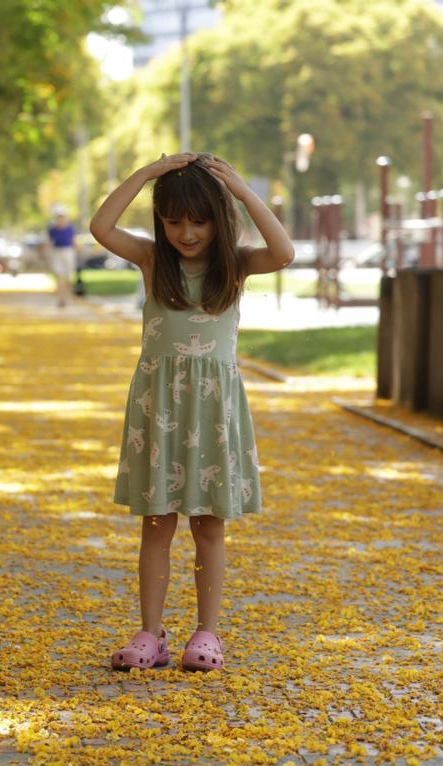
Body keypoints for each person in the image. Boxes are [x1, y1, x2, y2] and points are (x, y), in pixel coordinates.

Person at [90, 153, 294, 672]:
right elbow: (101, 227)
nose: (186, 233)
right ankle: (150, 634)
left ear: (219, 219)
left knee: (208, 525)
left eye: (199, 221)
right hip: (159, 408)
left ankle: (207, 633)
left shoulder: (236, 265)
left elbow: (285, 252)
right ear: (160, 220)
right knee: (156, 524)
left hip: (213, 412)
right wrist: (145, 175)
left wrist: (242, 190)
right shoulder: (152, 261)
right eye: (174, 221)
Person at [47, 205, 77, 307]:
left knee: (67, 276)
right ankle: (61, 298)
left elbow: (72, 241)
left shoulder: (70, 228)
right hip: (57, 252)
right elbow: (50, 241)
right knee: (59, 275)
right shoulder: (52, 229)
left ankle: (67, 296)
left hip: (68, 252)